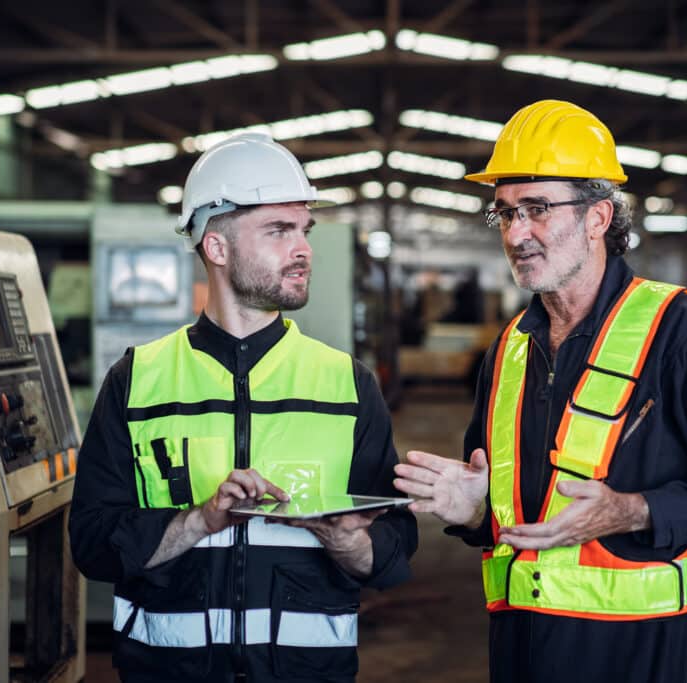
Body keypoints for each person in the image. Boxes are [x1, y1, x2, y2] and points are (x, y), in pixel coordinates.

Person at [394, 100, 687, 683]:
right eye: (504, 214)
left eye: (537, 209)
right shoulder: (509, 350)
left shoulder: (678, 328)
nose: (516, 233)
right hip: (520, 646)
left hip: (633, 648)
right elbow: (513, 511)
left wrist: (630, 511)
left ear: (599, 217)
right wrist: (474, 510)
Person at [70, 132, 417, 683]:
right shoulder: (136, 382)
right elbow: (93, 544)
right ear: (217, 247)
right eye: (278, 231)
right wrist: (201, 521)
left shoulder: (347, 384)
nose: (302, 248)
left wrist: (349, 542)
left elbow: (394, 552)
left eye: (304, 230)